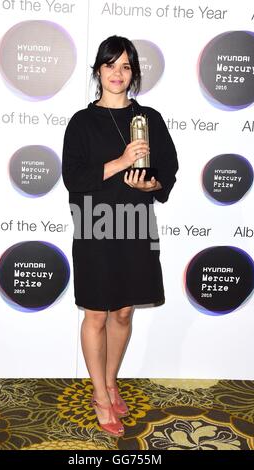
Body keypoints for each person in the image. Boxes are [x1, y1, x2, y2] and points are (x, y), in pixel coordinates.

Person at [62, 35, 178, 437]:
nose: (117, 73)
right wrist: (120, 161)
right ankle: (99, 395)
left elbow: (167, 170)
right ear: (98, 71)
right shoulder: (81, 122)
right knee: (96, 313)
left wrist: (152, 187)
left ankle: (111, 382)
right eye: (110, 65)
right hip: (95, 227)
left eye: (126, 66)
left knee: (124, 311)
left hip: (136, 226)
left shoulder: (151, 119)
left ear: (134, 74)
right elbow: (73, 178)